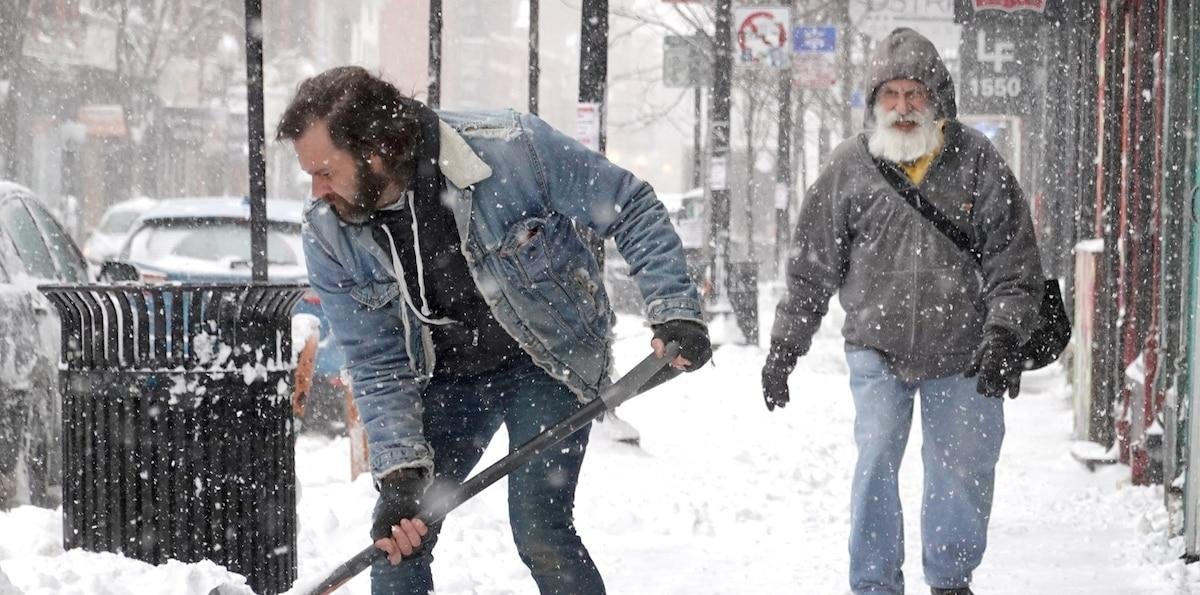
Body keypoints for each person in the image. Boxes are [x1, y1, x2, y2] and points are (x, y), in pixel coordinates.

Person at [276, 66, 711, 595]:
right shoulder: (327, 230)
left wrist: (675, 309)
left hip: (548, 359)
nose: (317, 191)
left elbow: (631, 206)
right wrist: (400, 474)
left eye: (324, 171)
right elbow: (374, 359)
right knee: (398, 539)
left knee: (539, 527)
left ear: (376, 149)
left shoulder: (510, 150)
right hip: (448, 377)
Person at [760, 28, 1044, 595]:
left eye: (914, 93)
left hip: (965, 351)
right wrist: (784, 348)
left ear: (937, 97)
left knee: (962, 474)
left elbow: (1015, 261)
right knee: (874, 470)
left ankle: (950, 580)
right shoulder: (849, 166)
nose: (903, 107)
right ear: (874, 103)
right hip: (877, 350)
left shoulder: (977, 160)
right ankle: (873, 584)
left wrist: (1005, 335)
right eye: (890, 94)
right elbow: (812, 267)